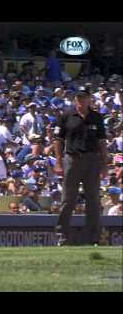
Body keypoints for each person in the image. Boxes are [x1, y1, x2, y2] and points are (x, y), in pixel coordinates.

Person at [53, 91, 108, 246]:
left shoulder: (96, 117)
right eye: (78, 98)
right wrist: (58, 161)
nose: (81, 101)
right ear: (75, 99)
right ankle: (62, 236)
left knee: (93, 200)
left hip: (92, 159)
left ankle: (94, 237)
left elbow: (102, 142)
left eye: (84, 98)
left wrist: (104, 164)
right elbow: (57, 140)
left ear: (89, 99)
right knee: (68, 200)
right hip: (72, 159)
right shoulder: (66, 116)